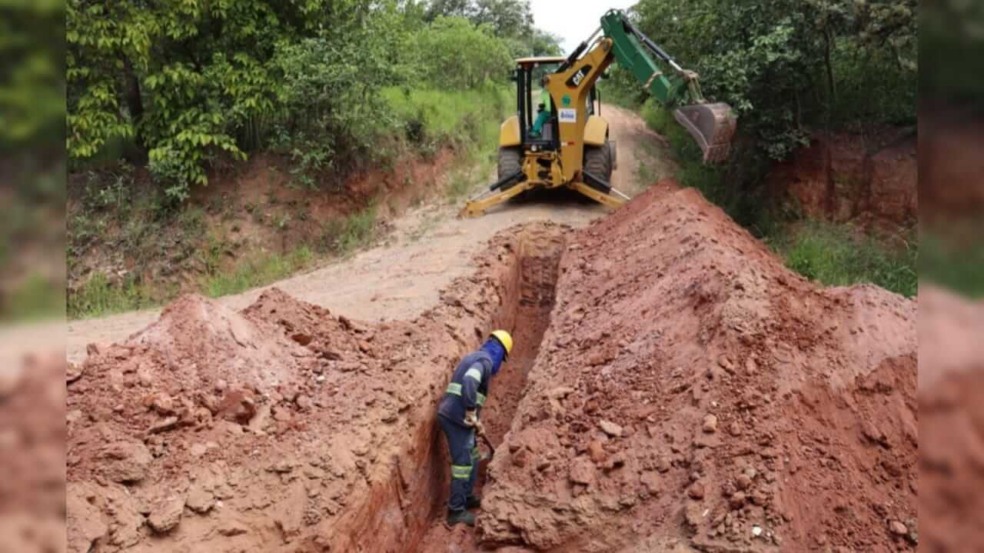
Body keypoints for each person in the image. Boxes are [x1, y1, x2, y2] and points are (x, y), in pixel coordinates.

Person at [436, 330, 514, 526]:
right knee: (463, 464)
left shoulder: (475, 357)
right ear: (500, 351)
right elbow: (470, 381)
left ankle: (467, 497)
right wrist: (471, 411)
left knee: (473, 455)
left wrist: (476, 422)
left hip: (458, 417)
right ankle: (455, 511)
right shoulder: (485, 362)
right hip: (454, 419)